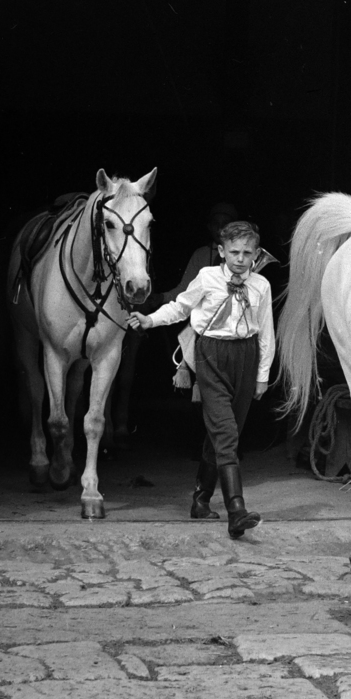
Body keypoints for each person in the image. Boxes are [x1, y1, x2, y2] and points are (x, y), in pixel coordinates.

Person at [130, 218, 274, 538]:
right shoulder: (207, 278)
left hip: (246, 358)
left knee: (223, 432)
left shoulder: (260, 286)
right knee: (225, 432)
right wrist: (149, 320)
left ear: (255, 254)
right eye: (234, 251)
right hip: (211, 356)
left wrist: (262, 376)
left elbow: (266, 333)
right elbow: (181, 309)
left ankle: (201, 499)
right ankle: (236, 509)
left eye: (247, 253)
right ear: (221, 251)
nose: (240, 258)